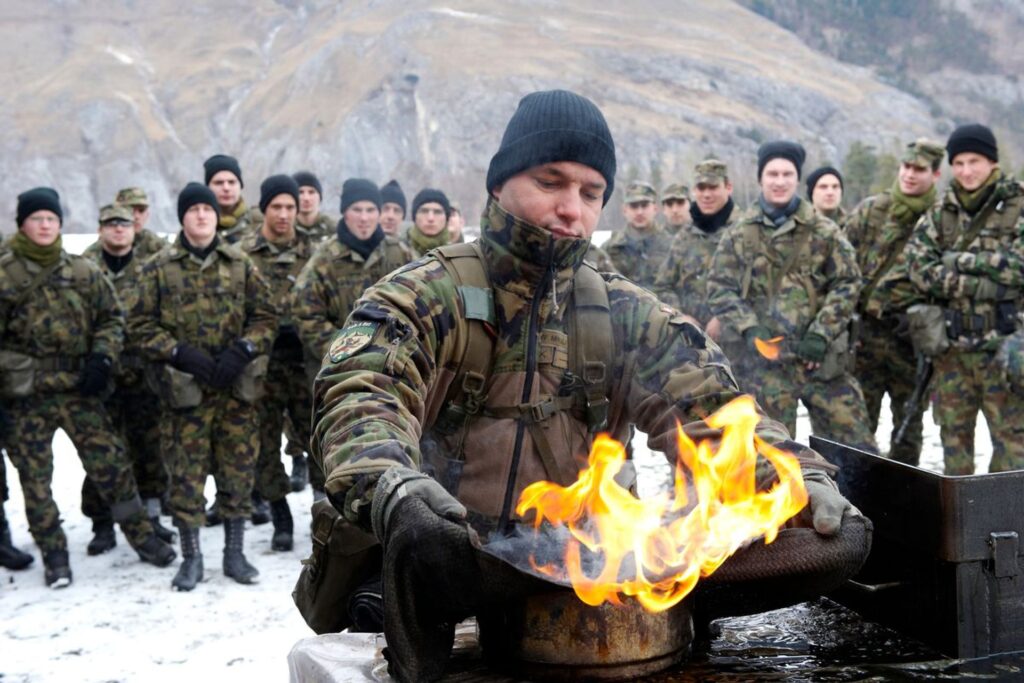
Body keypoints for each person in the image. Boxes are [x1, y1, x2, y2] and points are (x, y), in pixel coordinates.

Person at [306, 90, 855, 681]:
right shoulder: (419, 297)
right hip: (448, 567)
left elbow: (713, 409)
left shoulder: (622, 311)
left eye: (591, 194)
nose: (571, 208)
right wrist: (394, 491)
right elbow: (360, 400)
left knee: (835, 542)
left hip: (584, 580)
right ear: (499, 184)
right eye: (550, 182)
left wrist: (791, 475)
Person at [0, 188, 176, 587]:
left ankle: (143, 538)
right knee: (35, 478)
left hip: (80, 389)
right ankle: (54, 554)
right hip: (27, 397)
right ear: (22, 224)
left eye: (52, 219)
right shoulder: (6, 273)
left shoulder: (82, 271)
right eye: (37, 219)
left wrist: (102, 359)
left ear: (61, 224)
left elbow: (110, 318)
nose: (45, 225)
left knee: (112, 465)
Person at [130, 182, 277, 590]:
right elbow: (138, 324)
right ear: (182, 217)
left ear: (216, 216)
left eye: (207, 210)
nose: (201, 215)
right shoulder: (159, 267)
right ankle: (191, 557)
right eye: (193, 209)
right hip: (186, 395)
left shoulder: (240, 263)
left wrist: (244, 349)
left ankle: (235, 553)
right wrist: (177, 352)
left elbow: (267, 315)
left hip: (235, 391)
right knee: (185, 477)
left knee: (238, 472)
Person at [707, 141, 877, 452]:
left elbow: (848, 282)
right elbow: (719, 286)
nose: (780, 181)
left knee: (855, 450)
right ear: (761, 179)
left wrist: (821, 334)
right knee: (768, 457)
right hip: (766, 367)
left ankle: (853, 502)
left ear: (797, 179)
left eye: (787, 173)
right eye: (773, 173)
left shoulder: (823, 231)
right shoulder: (739, 234)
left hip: (820, 362)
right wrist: (749, 329)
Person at [904, 124, 1024, 475]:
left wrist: (956, 262)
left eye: (975, 161)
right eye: (959, 163)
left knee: (1014, 450)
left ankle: (1008, 524)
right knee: (954, 449)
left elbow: (1019, 269)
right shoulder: (943, 212)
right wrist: (987, 283)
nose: (967, 171)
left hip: (1004, 350)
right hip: (953, 353)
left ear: (992, 162)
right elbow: (918, 267)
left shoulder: (1017, 205)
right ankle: (962, 527)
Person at [80, 204, 175, 555]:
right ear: (101, 229)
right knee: (102, 453)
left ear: (134, 228)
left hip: (143, 374)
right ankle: (101, 523)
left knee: (150, 448)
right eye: (111, 224)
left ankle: (150, 517)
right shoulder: (85, 267)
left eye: (124, 224)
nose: (119, 230)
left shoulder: (150, 267)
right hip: (101, 376)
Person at [845, 139, 945, 465]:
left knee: (908, 431)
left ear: (936, 174)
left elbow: (948, 282)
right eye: (906, 167)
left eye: (919, 169)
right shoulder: (872, 211)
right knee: (859, 428)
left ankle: (903, 502)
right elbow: (842, 267)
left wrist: (927, 313)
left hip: (912, 341)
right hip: (867, 339)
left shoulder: (942, 220)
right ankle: (856, 501)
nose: (910, 175)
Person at [239, 176, 319, 551]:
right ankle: (280, 514)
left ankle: (324, 513)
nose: (285, 214)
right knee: (264, 444)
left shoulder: (315, 253)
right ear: (264, 209)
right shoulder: (243, 255)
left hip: (306, 366)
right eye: (277, 207)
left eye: (290, 207)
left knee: (317, 438)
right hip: (261, 369)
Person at [292, 178, 415, 379]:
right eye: (357, 209)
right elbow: (305, 316)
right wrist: (347, 350)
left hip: (391, 369)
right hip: (338, 371)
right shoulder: (324, 259)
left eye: (370, 210)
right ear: (345, 213)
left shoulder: (401, 255)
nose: (364, 217)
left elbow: (419, 306)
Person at [654, 160, 738, 359]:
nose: (706, 194)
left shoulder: (745, 231)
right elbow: (663, 286)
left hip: (738, 346)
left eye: (713, 187)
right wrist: (682, 315)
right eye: (701, 188)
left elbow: (760, 287)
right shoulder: (685, 237)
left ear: (728, 187)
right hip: (693, 346)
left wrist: (724, 316)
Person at [603, 181, 673, 288]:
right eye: (634, 206)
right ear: (624, 210)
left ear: (655, 208)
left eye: (644, 205)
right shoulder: (610, 248)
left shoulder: (672, 246)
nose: (639, 212)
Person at [83, 187, 167, 261]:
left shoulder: (158, 247)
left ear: (147, 215)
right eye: (130, 210)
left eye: (141, 210)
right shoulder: (94, 255)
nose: (136, 216)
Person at [204, 154, 261, 243]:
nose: (226, 188)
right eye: (219, 183)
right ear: (207, 188)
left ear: (240, 186)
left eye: (231, 182)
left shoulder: (259, 222)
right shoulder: (198, 223)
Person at [407, 188, 451, 257]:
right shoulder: (397, 252)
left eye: (437, 212)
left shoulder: (457, 255)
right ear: (414, 216)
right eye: (424, 211)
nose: (431, 218)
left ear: (446, 218)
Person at [293, 171, 334, 242]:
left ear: (320, 197)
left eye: (311, 192)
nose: (306, 198)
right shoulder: (285, 227)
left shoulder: (333, 229)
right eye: (300, 192)